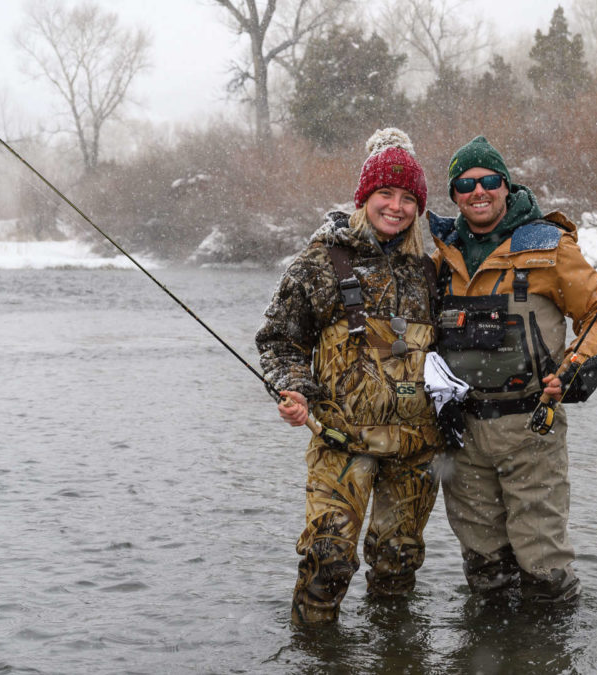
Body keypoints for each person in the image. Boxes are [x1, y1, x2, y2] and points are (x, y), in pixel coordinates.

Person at [256, 128, 443, 626]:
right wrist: (293, 389)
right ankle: (316, 654)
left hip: (416, 448)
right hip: (340, 442)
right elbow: (278, 340)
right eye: (385, 193)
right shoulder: (321, 260)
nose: (396, 207)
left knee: (398, 565)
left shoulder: (431, 270)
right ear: (364, 198)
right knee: (328, 561)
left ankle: (395, 658)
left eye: (408, 198)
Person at [428, 135, 597, 605]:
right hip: (462, 435)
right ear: (454, 195)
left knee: (544, 573)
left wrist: (583, 361)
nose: (479, 192)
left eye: (489, 181)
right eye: (466, 184)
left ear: (506, 186)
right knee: (484, 570)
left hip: (532, 428)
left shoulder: (550, 247)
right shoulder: (439, 254)